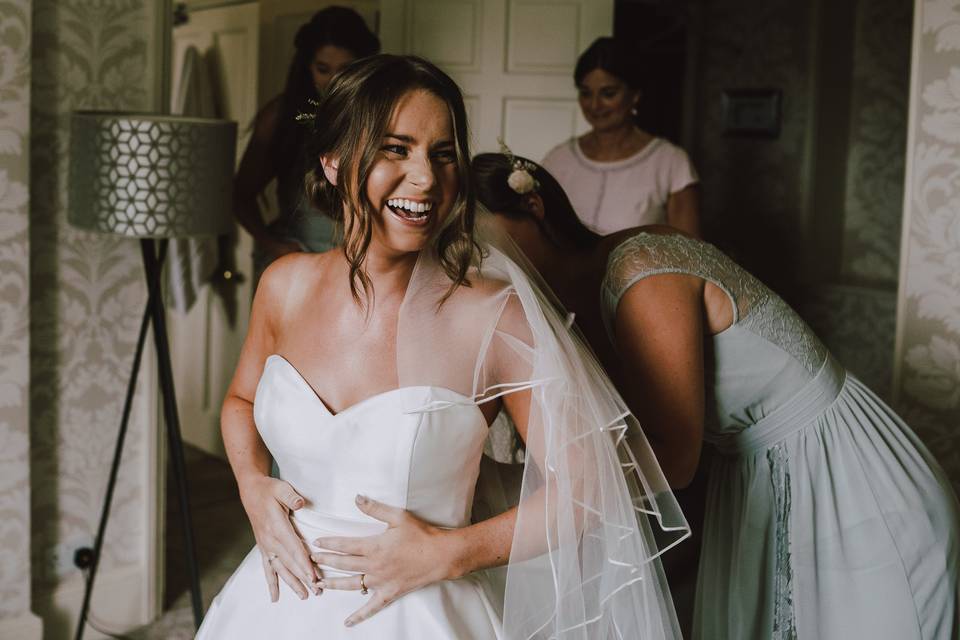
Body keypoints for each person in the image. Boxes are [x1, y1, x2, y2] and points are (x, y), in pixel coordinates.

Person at [196, 55, 689, 639]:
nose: (427, 178)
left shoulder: (491, 315)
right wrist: (254, 490)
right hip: (272, 606)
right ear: (333, 162)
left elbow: (586, 490)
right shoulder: (284, 284)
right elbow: (241, 403)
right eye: (396, 149)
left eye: (443, 153)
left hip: (422, 617)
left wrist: (449, 554)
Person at [470, 151, 960, 639]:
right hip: (751, 476)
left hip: (843, 475)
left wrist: (547, 499)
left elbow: (674, 460)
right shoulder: (562, 311)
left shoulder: (639, 274)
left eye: (480, 234)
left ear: (533, 207)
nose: (477, 256)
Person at [233, 6, 379, 281]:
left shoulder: (380, 117)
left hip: (360, 267)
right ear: (307, 66)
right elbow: (240, 195)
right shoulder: (282, 116)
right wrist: (274, 246)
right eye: (323, 69)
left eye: (346, 69)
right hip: (297, 265)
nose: (334, 81)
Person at [541, 37, 700, 237]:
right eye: (586, 93)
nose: (594, 105)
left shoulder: (670, 163)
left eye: (608, 93)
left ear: (635, 95)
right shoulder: (559, 159)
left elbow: (691, 254)